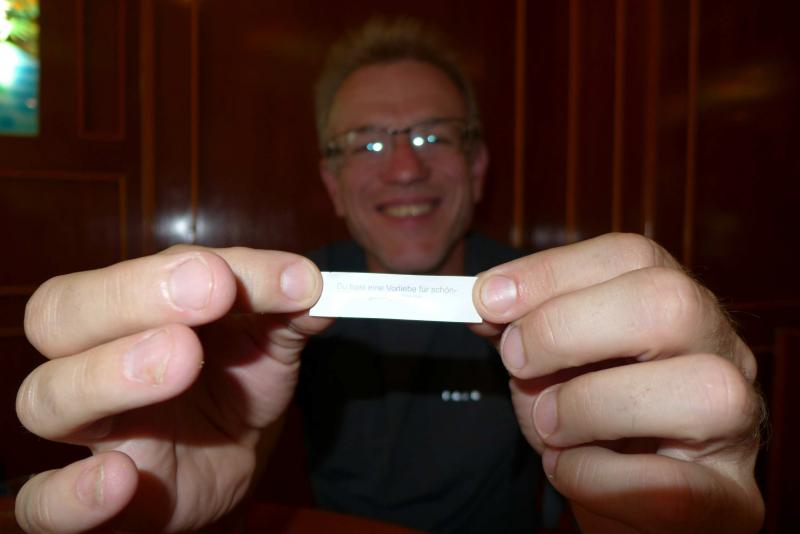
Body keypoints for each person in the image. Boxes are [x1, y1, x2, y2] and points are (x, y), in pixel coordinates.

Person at [15, 17, 764, 533]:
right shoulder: (268, 317)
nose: (405, 167)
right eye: (367, 144)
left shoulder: (565, 306)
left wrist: (661, 500)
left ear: (476, 166)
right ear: (333, 184)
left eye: (434, 135)